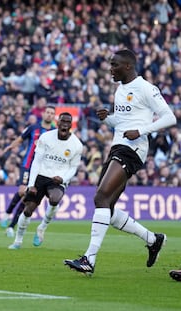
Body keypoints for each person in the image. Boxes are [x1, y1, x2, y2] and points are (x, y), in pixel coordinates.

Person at [64, 49, 177, 275]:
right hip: (118, 146)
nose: (110, 69)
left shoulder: (146, 88)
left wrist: (142, 130)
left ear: (128, 66)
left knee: (100, 197)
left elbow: (170, 117)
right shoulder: (120, 90)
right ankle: (153, 239)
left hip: (133, 150)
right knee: (108, 207)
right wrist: (109, 119)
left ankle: (89, 259)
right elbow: (122, 125)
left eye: (114, 65)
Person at [8, 112, 83, 249]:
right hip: (40, 176)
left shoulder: (77, 145)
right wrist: (31, 184)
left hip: (58, 179)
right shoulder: (46, 137)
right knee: (28, 210)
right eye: (62, 121)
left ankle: (42, 227)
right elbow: (36, 161)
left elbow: (73, 168)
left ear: (71, 125)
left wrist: (63, 179)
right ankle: (18, 241)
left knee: (55, 199)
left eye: (68, 122)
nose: (65, 125)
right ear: (57, 123)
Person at [0, 106, 56, 237]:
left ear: (54, 116)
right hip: (28, 165)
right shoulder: (33, 128)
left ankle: (11, 226)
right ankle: (7, 214)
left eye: (52, 113)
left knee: (27, 198)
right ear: (43, 114)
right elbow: (20, 139)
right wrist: (11, 146)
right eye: (47, 112)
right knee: (21, 190)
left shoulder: (55, 132)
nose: (49, 115)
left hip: (42, 170)